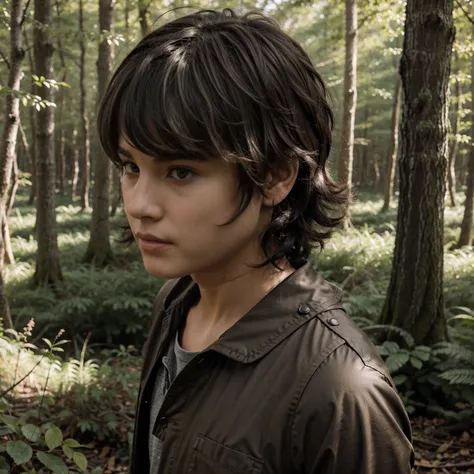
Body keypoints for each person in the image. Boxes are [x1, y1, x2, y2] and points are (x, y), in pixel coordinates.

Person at [97, 8, 414, 474]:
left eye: (180, 171)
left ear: (275, 176)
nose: (140, 203)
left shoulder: (341, 390)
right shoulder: (176, 304)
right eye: (130, 167)